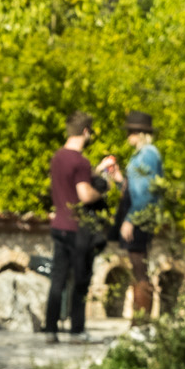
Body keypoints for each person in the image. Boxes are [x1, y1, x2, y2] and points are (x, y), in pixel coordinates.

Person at [42, 112, 110, 338]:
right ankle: (76, 330)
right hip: (77, 228)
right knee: (80, 280)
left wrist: (98, 171)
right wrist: (102, 189)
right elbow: (84, 195)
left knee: (58, 279)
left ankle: (51, 329)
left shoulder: (57, 157)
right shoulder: (80, 161)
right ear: (86, 132)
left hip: (58, 223)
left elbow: (71, 184)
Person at [114, 112, 162, 321]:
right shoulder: (140, 154)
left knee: (139, 267)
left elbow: (145, 194)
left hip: (140, 217)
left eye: (131, 132)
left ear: (140, 133)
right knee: (136, 266)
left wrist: (130, 220)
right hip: (138, 214)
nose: (128, 136)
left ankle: (141, 321)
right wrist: (118, 180)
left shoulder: (148, 155)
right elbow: (133, 188)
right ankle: (139, 320)